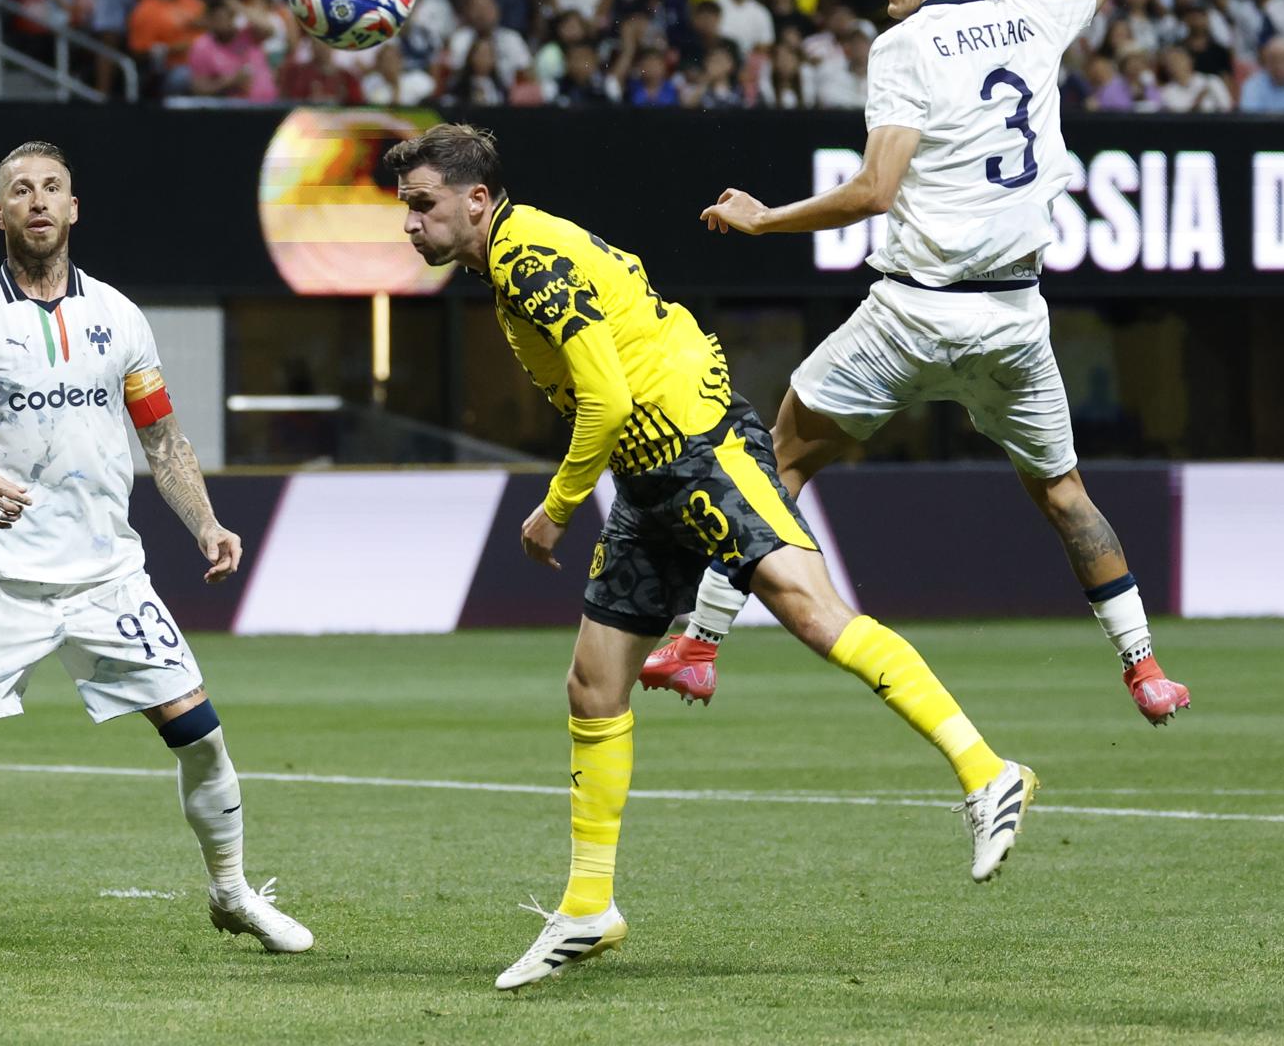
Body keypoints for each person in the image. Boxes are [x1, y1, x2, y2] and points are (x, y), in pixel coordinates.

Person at [389, 124, 1033, 992]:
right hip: (647, 471)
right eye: (406, 209)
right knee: (593, 685)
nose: (411, 224)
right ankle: (588, 908)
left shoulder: (529, 258)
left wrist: (556, 509)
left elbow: (606, 397)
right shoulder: (511, 258)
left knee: (811, 611)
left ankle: (988, 773)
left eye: (422, 205)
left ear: (476, 199)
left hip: (699, 446)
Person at [659, 0, 1190, 729]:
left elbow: (874, 191)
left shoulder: (903, 47)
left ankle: (699, 645)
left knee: (775, 459)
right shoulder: (1032, 11)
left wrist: (765, 219)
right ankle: (1144, 667)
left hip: (913, 314)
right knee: (1063, 492)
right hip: (1015, 318)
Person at [0, 141, 312, 960]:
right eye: (20, 190)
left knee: (202, 735)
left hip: (107, 576)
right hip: (0, 577)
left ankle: (233, 893)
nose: (37, 201)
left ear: (73, 208)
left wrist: (206, 524)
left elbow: (162, 439)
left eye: (52, 188)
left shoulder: (120, 317)